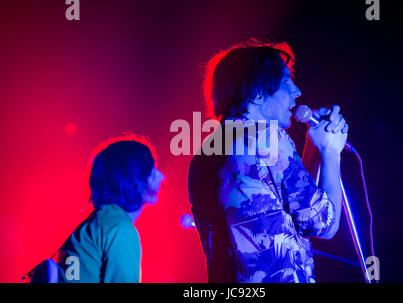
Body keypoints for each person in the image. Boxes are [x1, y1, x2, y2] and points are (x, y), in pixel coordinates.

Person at [188, 40, 348, 283]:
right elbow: (323, 223)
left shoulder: (203, 155)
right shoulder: (266, 136)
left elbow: (291, 207)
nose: (297, 92)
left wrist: (314, 148)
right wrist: (331, 152)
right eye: (286, 82)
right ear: (257, 92)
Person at [55, 135, 165, 282]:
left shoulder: (93, 225)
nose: (161, 177)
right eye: (149, 170)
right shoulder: (120, 229)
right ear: (131, 178)